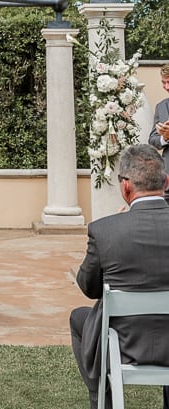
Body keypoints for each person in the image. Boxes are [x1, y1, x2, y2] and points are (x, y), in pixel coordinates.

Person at [70, 143, 169, 409]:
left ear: (126, 187)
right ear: (166, 181)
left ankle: (102, 399)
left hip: (124, 346)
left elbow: (89, 287)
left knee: (79, 317)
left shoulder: (105, 231)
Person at [148, 62, 169, 202]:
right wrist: (165, 138)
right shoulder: (160, 107)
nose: (166, 87)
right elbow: (152, 139)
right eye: (163, 82)